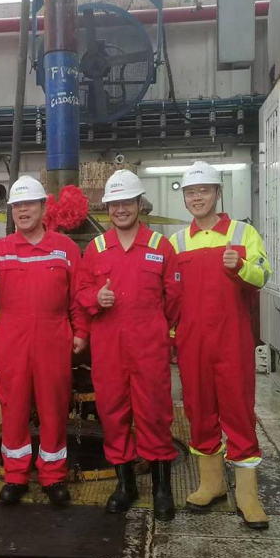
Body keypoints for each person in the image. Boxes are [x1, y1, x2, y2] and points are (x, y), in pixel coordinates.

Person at [0, 175, 88, 506]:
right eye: (17, 206)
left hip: (54, 335)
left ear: (43, 207)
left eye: (29, 204)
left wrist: (81, 331)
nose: (23, 211)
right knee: (13, 407)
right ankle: (16, 475)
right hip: (13, 337)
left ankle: (53, 476)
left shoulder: (66, 248)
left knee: (54, 407)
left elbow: (78, 294)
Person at [169, 160, 272, 530]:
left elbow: (263, 275)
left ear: (217, 192)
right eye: (190, 192)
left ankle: (247, 495)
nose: (197, 198)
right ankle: (210, 483)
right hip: (192, 342)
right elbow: (171, 295)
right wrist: (172, 335)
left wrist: (240, 265)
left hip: (232, 340)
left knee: (239, 411)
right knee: (198, 410)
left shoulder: (243, 234)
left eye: (204, 191)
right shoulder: (177, 242)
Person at [77, 170, 180, 521]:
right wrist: (96, 297)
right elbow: (80, 292)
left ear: (139, 204)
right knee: (113, 413)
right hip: (109, 349)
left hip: (149, 348)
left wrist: (158, 330)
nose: (121, 209)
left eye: (127, 202)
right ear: (107, 209)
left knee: (155, 413)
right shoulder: (96, 248)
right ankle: (126, 486)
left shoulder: (160, 246)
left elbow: (174, 298)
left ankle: (163, 489)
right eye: (114, 204)